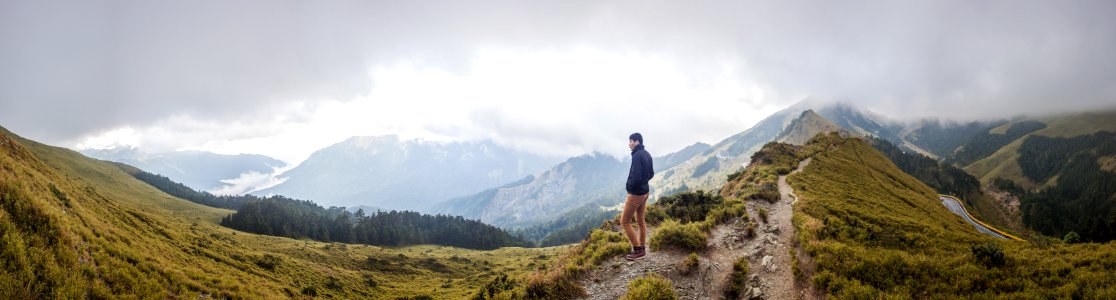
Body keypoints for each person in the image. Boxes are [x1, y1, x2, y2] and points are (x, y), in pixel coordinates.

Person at [622, 132, 654, 260]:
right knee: (640, 220)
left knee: (624, 221)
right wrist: (643, 182)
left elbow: (635, 177)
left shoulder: (636, 155)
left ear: (637, 142)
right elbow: (651, 173)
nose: (629, 144)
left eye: (630, 141)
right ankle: (642, 248)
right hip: (645, 192)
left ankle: (637, 249)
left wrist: (630, 187)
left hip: (636, 194)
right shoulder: (647, 154)